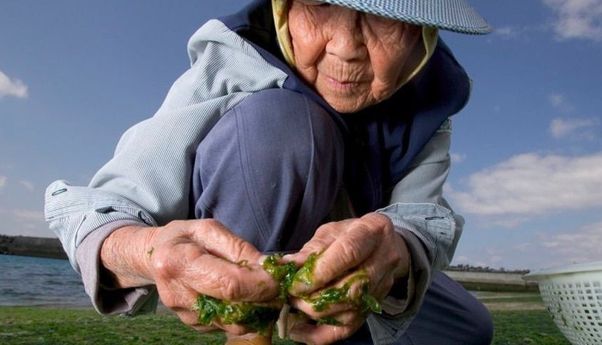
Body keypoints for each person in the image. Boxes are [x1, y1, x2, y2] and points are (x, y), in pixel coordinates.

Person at [45, 0, 494, 344]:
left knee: (469, 328)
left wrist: (396, 247)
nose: (344, 48)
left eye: (382, 18)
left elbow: (420, 214)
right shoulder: (232, 60)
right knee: (282, 126)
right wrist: (147, 250)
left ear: (422, 35)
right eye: (319, 4)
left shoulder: (431, 98)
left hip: (352, 280)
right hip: (247, 251)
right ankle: (251, 331)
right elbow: (105, 210)